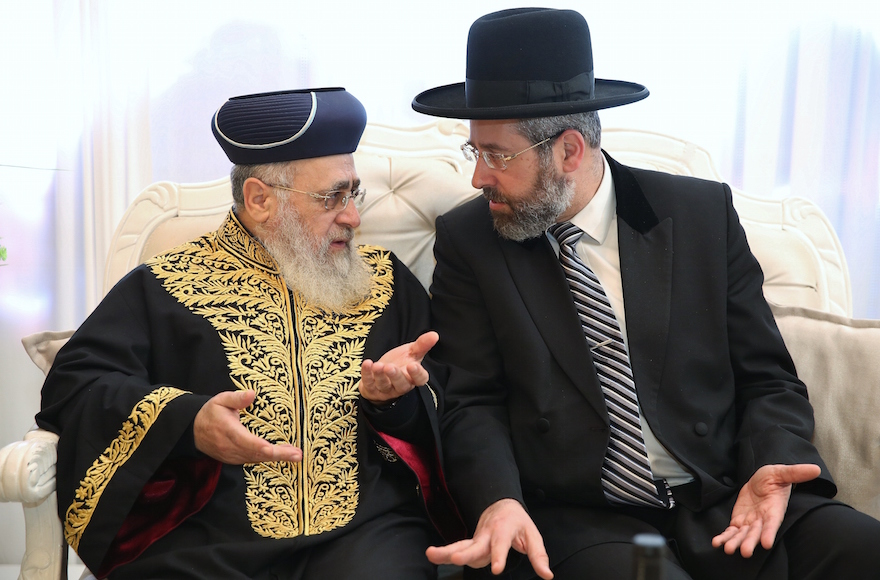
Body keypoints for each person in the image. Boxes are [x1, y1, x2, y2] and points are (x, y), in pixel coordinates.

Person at [412, 9, 880, 580]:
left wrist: (774, 463)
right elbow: (470, 400)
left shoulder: (699, 214)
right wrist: (496, 500)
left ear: (568, 151)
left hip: (724, 493)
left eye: (497, 155)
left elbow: (768, 376)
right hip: (583, 518)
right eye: (475, 152)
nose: (479, 177)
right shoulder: (471, 241)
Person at [37, 87, 463, 579]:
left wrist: (395, 401)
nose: (353, 216)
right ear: (259, 199)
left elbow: (454, 406)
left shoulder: (385, 283)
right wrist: (187, 421)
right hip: (206, 539)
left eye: (354, 193)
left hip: (366, 533)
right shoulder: (165, 286)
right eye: (332, 197)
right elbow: (76, 386)